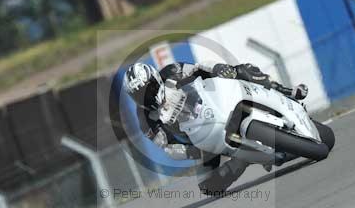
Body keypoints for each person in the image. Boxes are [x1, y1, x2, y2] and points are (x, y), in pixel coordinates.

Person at [123, 62, 308, 194]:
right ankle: (244, 159)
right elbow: (169, 148)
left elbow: (199, 69)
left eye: (148, 88)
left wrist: (219, 69)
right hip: (201, 141)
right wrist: (194, 151)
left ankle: (287, 92)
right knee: (208, 186)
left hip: (215, 106)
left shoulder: (173, 70)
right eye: (139, 95)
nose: (146, 96)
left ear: (156, 78)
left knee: (241, 70)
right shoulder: (146, 120)